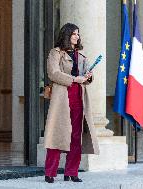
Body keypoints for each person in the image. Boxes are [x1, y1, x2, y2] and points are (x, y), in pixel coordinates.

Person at [44, 23, 99, 183]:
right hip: (62, 97)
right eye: (74, 34)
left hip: (79, 97)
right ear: (67, 35)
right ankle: (50, 172)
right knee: (57, 133)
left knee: (76, 135)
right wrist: (75, 79)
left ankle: (72, 172)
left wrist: (88, 77)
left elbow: (88, 78)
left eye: (78, 34)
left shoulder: (81, 56)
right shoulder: (55, 53)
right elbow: (53, 73)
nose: (77, 36)